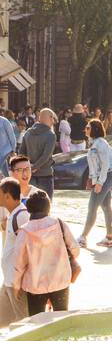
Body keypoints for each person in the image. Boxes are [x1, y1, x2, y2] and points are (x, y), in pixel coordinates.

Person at [12, 190, 80, 315]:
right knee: (61, 320)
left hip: (35, 286)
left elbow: (18, 264)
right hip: (60, 282)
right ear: (48, 207)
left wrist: (16, 287)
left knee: (36, 324)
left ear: (29, 209)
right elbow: (75, 250)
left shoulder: (24, 232)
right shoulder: (59, 224)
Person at [79, 119, 112, 250]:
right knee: (106, 207)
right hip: (104, 178)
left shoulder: (100, 144)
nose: (85, 129)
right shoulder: (95, 143)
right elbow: (96, 166)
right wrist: (92, 179)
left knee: (92, 207)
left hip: (105, 178)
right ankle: (109, 238)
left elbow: (105, 164)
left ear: (94, 129)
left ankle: (83, 237)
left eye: (88, 127)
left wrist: (100, 182)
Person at [0, 177, 29, 325]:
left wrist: (18, 283)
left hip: (15, 283)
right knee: (2, 320)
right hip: (8, 280)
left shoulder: (21, 215)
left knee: (21, 322)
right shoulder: (13, 214)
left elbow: (26, 251)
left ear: (7, 195)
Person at [21, 108, 58, 198]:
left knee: (29, 206)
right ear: (50, 118)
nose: (53, 122)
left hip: (30, 175)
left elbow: (21, 153)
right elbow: (46, 156)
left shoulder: (28, 132)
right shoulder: (51, 135)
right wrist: (34, 167)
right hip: (45, 174)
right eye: (53, 119)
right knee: (46, 206)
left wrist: (29, 167)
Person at [0, 109, 18, 176]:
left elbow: (11, 136)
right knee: (5, 172)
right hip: (3, 151)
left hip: (5, 151)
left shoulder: (4, 121)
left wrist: (13, 150)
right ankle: (9, 182)